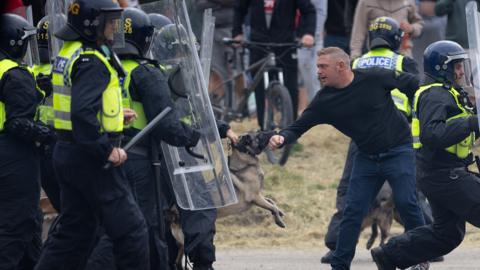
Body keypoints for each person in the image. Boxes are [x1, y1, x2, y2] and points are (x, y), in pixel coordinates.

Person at [268, 46, 426, 270]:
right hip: (366, 157)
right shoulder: (325, 100)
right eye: (318, 67)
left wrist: (420, 109)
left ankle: (420, 257)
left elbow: (413, 84)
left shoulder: (375, 78)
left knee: (407, 202)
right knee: (352, 211)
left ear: (341, 66)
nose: (318, 72)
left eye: (323, 67)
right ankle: (340, 265)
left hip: (398, 150)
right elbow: (298, 127)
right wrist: (281, 138)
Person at [34, 1, 150, 269]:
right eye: (110, 22)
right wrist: (106, 150)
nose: (113, 28)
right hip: (91, 157)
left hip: (67, 152)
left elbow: (77, 106)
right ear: (92, 23)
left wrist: (115, 116)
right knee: (132, 232)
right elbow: (82, 114)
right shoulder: (92, 60)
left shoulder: (71, 53)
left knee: (74, 234)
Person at [370, 40, 480, 270]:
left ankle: (388, 255)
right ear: (442, 68)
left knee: (447, 234)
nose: (461, 72)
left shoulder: (447, 93)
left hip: (439, 175)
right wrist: (471, 122)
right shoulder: (435, 95)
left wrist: (472, 123)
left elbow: (459, 132)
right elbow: (433, 134)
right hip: (445, 176)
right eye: (457, 67)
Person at [320, 16, 421, 264]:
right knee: (411, 195)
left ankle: (336, 245)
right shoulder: (404, 62)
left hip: (363, 135)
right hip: (400, 134)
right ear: (397, 39)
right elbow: (419, 97)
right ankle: (427, 243)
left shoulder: (356, 62)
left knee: (351, 194)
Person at [0, 13, 55, 270]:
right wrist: (49, 134)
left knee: (31, 222)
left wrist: (40, 88)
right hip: (15, 157)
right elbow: (17, 123)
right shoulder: (14, 73)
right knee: (18, 223)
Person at [232, 0, 316, 128]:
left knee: (290, 87)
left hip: (285, 44)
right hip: (258, 44)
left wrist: (308, 33)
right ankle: (263, 129)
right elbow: (239, 9)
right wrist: (237, 33)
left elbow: (309, 10)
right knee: (259, 88)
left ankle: (291, 131)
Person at [350, 0, 424, 59]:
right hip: (376, 56)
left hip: (403, 53)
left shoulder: (409, 1)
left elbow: (419, 23)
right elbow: (358, 32)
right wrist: (355, 56)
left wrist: (412, 28)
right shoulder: (365, 2)